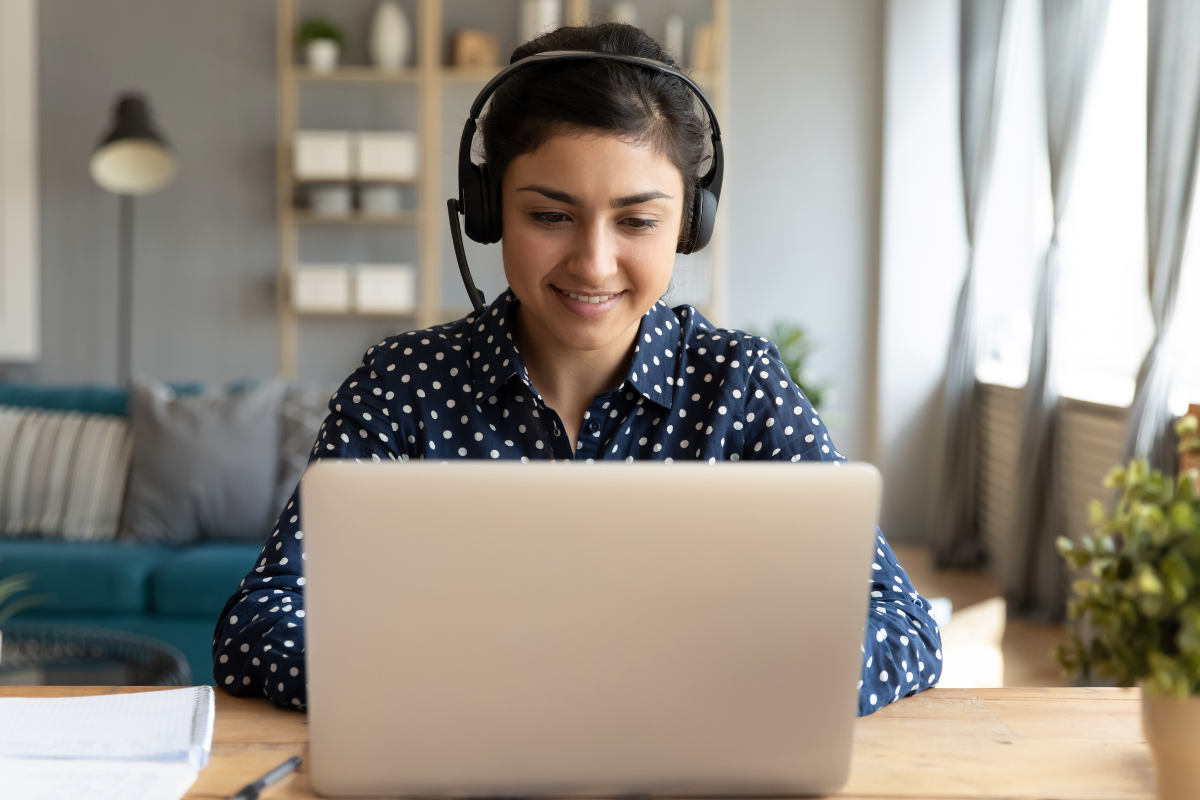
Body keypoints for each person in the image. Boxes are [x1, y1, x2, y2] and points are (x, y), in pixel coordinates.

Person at [213, 22, 942, 717]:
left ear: (691, 223)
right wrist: (486, 686)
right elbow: (259, 624)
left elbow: (898, 621)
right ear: (488, 209)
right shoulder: (402, 387)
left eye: (638, 221)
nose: (594, 263)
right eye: (551, 216)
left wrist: (711, 683)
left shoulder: (739, 388)